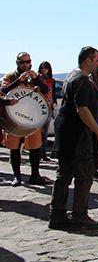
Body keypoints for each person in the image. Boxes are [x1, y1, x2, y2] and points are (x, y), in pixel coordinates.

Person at [49, 46, 98, 230]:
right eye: (97, 59)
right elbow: (82, 109)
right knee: (84, 174)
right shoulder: (82, 79)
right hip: (76, 134)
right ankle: (79, 215)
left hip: (67, 130)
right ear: (88, 61)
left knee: (64, 174)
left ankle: (57, 214)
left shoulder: (72, 76)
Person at [1, 52, 51, 186]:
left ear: (31, 62)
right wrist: (19, 81)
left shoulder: (36, 76)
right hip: (13, 116)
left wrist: (36, 80)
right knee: (14, 147)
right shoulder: (10, 76)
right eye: (22, 62)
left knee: (34, 147)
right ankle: (17, 177)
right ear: (17, 63)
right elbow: (4, 91)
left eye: (27, 62)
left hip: (31, 116)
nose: (25, 65)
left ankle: (35, 175)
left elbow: (45, 89)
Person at [37, 61, 56, 161]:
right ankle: (36, 152)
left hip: (49, 107)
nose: (44, 70)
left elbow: (54, 93)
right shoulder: (37, 79)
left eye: (46, 68)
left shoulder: (51, 81)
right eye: (42, 68)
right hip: (39, 107)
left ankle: (42, 153)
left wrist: (54, 102)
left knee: (45, 133)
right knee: (38, 132)